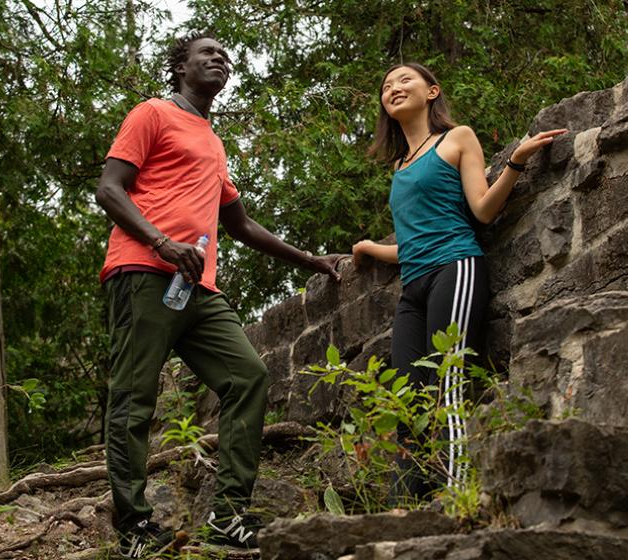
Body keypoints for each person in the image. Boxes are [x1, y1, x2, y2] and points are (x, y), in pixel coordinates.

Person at [95, 32, 343, 558]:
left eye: (226, 56)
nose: (220, 60)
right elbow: (109, 188)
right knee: (133, 398)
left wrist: (312, 260)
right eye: (207, 53)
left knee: (248, 376)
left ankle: (228, 515)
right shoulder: (153, 114)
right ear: (181, 66)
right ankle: (134, 529)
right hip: (143, 272)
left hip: (196, 289)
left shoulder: (211, 140)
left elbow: (241, 224)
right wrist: (161, 242)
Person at [352, 62, 565, 499]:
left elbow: (483, 210)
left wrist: (515, 162)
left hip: (457, 267)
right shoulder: (398, 166)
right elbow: (413, 241)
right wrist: (372, 248)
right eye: (386, 85)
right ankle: (403, 504)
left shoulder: (457, 138)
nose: (393, 87)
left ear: (432, 91)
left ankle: (455, 496)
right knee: (406, 395)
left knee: (447, 377)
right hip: (413, 285)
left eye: (404, 80)